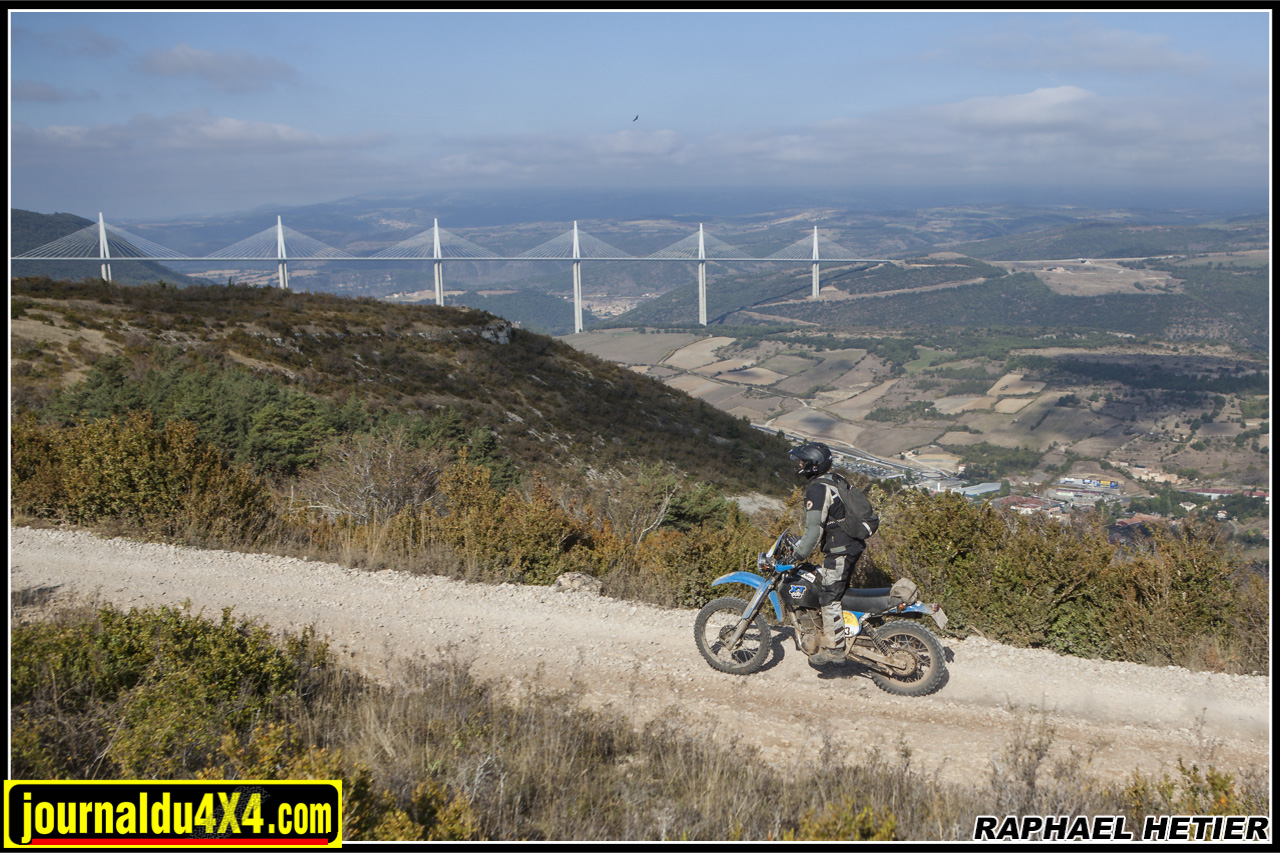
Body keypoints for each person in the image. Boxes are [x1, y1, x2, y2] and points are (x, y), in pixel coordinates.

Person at [787, 442, 866, 665]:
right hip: (850, 545)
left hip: (840, 550)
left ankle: (835, 648)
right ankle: (842, 631)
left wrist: (797, 555)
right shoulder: (834, 479)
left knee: (829, 595)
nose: (799, 465)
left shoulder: (817, 489)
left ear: (813, 464)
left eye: (802, 461)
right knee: (833, 588)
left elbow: (813, 531)